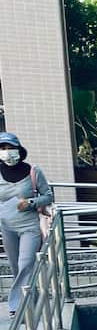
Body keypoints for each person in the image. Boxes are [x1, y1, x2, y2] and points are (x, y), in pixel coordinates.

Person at [0, 132, 54, 317]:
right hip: (7, 226)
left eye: (10, 148)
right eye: (3, 149)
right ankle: (32, 298)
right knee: (16, 267)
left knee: (26, 263)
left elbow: (48, 195)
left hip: (29, 226)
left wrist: (31, 203)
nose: (7, 152)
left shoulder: (33, 171)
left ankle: (17, 307)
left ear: (19, 149)